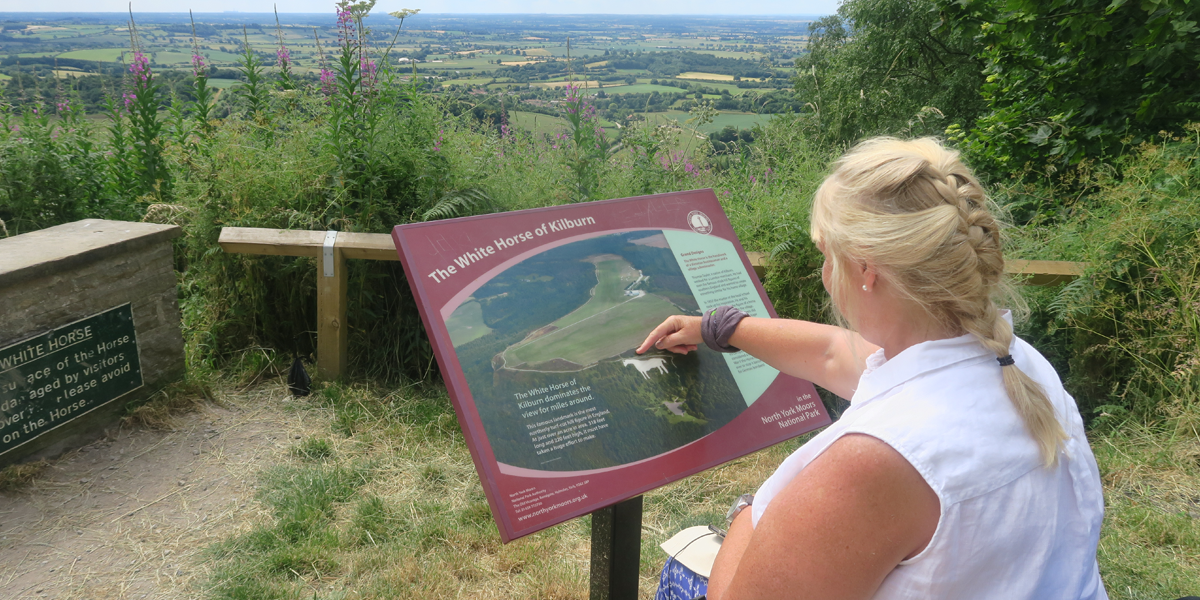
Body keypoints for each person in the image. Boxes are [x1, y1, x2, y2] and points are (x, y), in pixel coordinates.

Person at [638, 137, 1108, 600]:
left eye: (827, 254)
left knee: (682, 569)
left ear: (866, 269)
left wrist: (752, 513)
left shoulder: (877, 459)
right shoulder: (1017, 362)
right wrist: (720, 328)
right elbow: (834, 353)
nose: (825, 273)